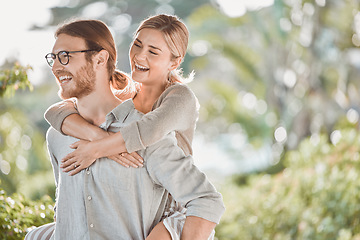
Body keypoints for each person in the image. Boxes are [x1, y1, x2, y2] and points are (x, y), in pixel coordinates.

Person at [25, 19, 224, 240]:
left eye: (66, 56)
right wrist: (96, 136)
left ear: (174, 62)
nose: (139, 56)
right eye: (137, 44)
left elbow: (147, 132)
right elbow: (60, 110)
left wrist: (96, 149)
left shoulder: (173, 105)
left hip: (172, 213)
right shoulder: (62, 132)